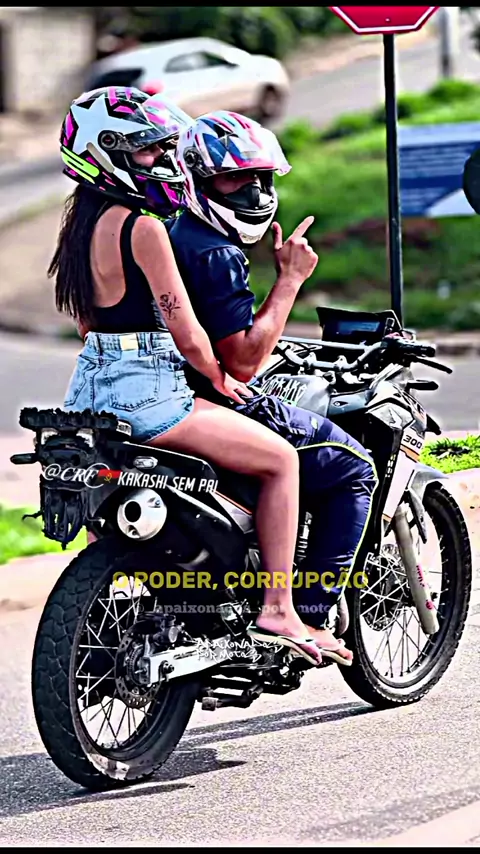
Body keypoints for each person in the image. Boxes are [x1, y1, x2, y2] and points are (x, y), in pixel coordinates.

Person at [48, 86, 323, 667]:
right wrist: (218, 378)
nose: (162, 160)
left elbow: (85, 324)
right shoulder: (144, 227)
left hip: (88, 389)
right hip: (149, 392)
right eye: (146, 150)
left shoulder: (79, 227)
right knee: (282, 460)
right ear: (104, 154)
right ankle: (279, 608)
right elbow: (186, 329)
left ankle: (109, 619)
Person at [163, 110, 379, 666]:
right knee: (354, 467)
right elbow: (242, 361)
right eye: (236, 179)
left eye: (261, 179)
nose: (255, 193)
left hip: (161, 393)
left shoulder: (169, 232)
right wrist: (290, 281)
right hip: (208, 401)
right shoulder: (214, 251)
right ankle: (306, 615)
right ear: (198, 178)